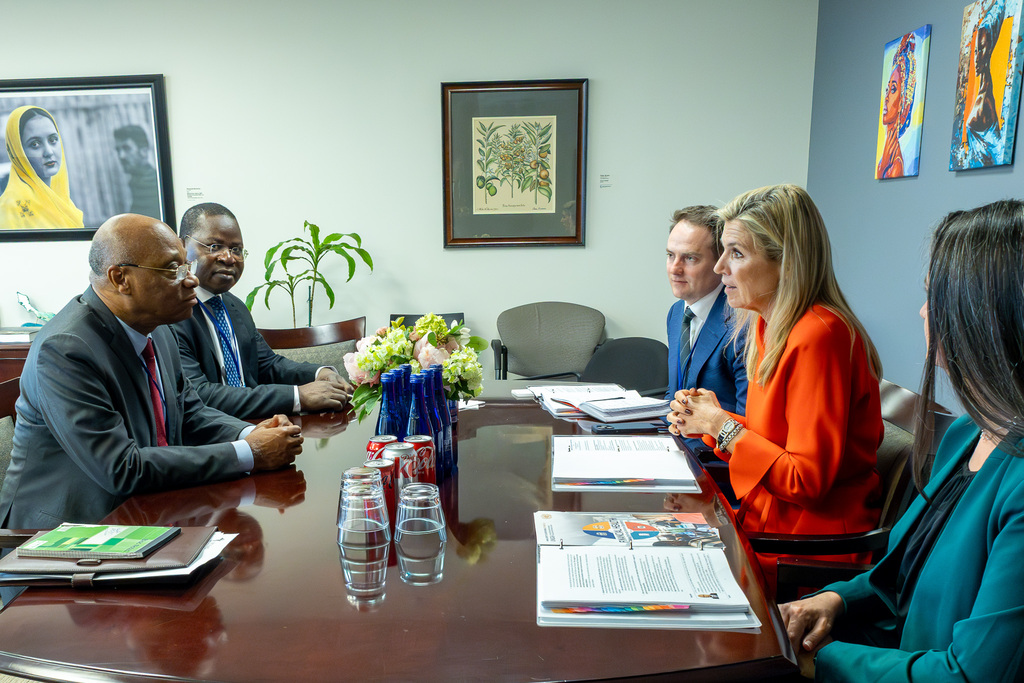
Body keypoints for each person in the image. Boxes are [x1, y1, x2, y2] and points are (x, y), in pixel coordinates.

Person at [780, 199, 1024, 681]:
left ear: (984, 316)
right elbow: (900, 577)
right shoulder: (964, 433)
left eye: (933, 296)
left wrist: (822, 661)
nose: (921, 311)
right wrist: (836, 600)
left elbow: (968, 675)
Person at [0, 214, 304, 529]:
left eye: (186, 266)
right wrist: (248, 453)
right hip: (65, 534)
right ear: (120, 278)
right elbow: (122, 468)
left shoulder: (158, 327)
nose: (192, 280)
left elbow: (189, 411)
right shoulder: (66, 350)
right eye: (173, 269)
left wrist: (249, 433)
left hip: (148, 511)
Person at [666, 184, 883, 592]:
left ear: (785, 262)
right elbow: (777, 442)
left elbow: (805, 480)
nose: (719, 269)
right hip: (765, 522)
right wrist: (714, 417)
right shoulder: (767, 325)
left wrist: (722, 427)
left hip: (804, 549)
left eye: (737, 253)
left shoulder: (820, 334)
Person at [173, 202, 351, 419]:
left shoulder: (234, 305)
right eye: (214, 247)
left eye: (236, 249)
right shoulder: (172, 313)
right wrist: (298, 396)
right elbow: (200, 395)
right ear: (182, 246)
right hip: (209, 440)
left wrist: (320, 373)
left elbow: (268, 364)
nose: (229, 258)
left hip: (257, 426)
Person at [665, 206, 747, 454]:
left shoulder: (742, 324)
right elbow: (674, 395)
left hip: (720, 465)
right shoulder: (676, 312)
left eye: (690, 258)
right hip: (679, 452)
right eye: (670, 255)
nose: (674, 268)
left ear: (720, 263)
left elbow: (750, 425)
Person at [0, 105, 84, 230]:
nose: (49, 152)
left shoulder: (63, 202)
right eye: (35, 144)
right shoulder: (9, 209)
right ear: (17, 151)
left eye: (53, 140)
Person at [876, 33, 917, 179]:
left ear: (903, 101)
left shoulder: (896, 165)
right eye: (887, 89)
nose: (886, 97)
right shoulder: (885, 157)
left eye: (893, 89)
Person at [114, 124, 161, 218]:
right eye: (118, 150)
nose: (121, 156)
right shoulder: (136, 183)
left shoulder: (155, 184)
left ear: (143, 151)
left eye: (126, 148)